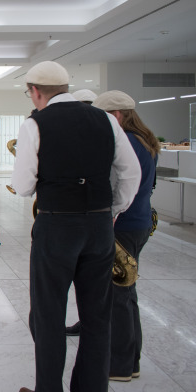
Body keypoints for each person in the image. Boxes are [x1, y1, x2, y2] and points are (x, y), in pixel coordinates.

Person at [11, 61, 140, 392]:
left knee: (49, 315)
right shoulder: (106, 120)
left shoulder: (34, 124)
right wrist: (111, 210)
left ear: (36, 91)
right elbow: (130, 172)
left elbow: (23, 186)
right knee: (98, 318)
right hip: (98, 227)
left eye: (30, 93)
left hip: (56, 227)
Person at [65, 90, 159, 383]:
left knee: (117, 294)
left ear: (117, 116)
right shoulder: (146, 141)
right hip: (138, 223)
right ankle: (131, 361)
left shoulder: (126, 142)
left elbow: (117, 186)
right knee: (126, 293)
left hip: (122, 224)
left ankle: (118, 365)